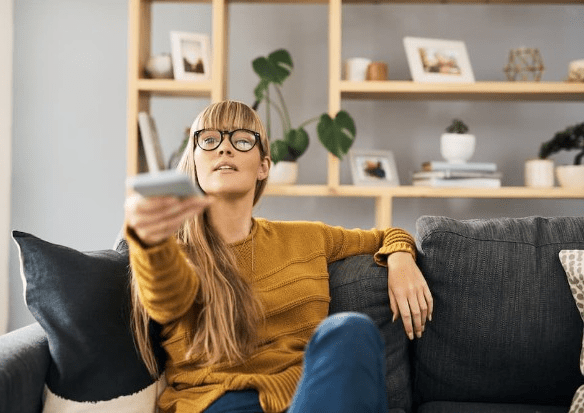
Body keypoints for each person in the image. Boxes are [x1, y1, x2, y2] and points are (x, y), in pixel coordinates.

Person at [124, 100, 433, 413]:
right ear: (194, 159)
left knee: (351, 331)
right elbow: (167, 300)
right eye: (209, 140)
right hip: (218, 404)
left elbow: (387, 235)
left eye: (242, 140)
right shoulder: (173, 250)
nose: (224, 149)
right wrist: (150, 243)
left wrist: (401, 259)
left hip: (305, 401)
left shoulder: (307, 237)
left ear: (264, 166)